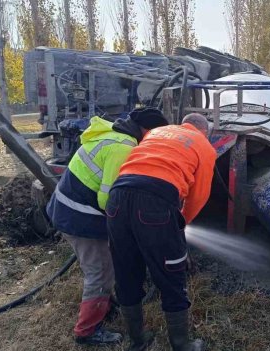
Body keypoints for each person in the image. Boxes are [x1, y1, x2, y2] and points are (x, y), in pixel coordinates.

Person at [46, 108, 168, 346]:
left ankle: (104, 305)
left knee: (105, 265)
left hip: (71, 208)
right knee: (100, 272)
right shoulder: (123, 147)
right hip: (79, 217)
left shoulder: (115, 133)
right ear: (147, 130)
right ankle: (87, 331)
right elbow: (108, 200)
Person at [106, 113, 216, 351]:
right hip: (155, 203)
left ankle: (137, 340)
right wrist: (179, 223)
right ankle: (182, 344)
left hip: (116, 199)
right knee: (172, 274)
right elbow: (199, 197)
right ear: (204, 131)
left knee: (126, 271)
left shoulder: (156, 133)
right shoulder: (204, 146)